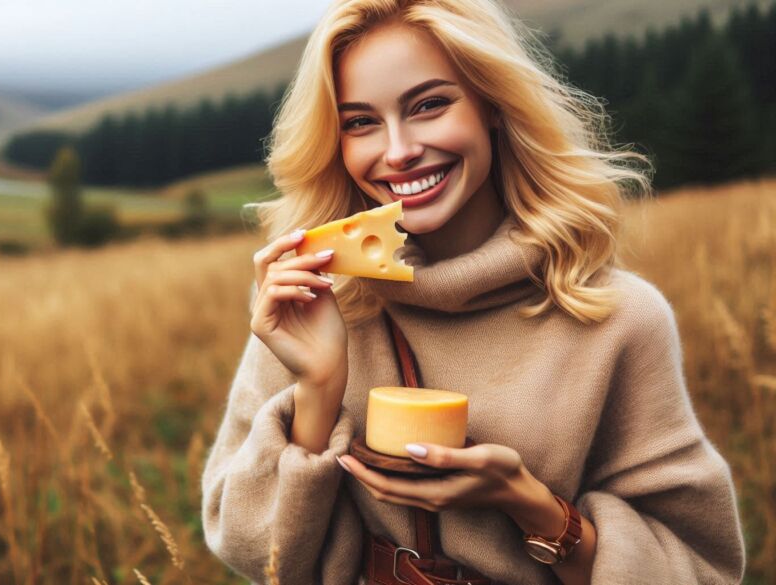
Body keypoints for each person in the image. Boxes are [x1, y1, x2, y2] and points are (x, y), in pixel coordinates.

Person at [200, 0, 746, 583]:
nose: (399, 149)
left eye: (429, 105)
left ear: (492, 104)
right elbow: (254, 552)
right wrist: (319, 386)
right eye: (360, 122)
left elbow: (699, 564)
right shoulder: (317, 304)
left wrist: (528, 502)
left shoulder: (619, 318)